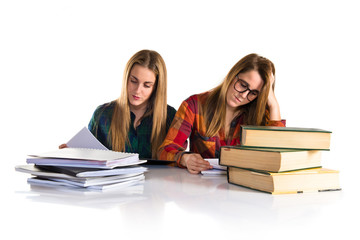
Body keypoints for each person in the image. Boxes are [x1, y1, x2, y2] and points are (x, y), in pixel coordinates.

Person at [157, 53, 285, 173]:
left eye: (253, 93)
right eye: (242, 85)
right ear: (232, 75)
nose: (243, 95)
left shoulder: (261, 116)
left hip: (244, 191)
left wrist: (273, 104)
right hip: (201, 189)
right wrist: (184, 159)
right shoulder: (194, 105)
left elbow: (279, 157)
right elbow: (164, 151)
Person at [60, 50, 176, 159]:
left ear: (156, 87)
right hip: (111, 180)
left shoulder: (170, 117)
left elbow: (178, 159)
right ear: (126, 78)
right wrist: (74, 154)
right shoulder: (103, 114)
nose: (137, 90)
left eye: (147, 85)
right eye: (133, 81)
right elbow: (88, 155)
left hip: (156, 180)